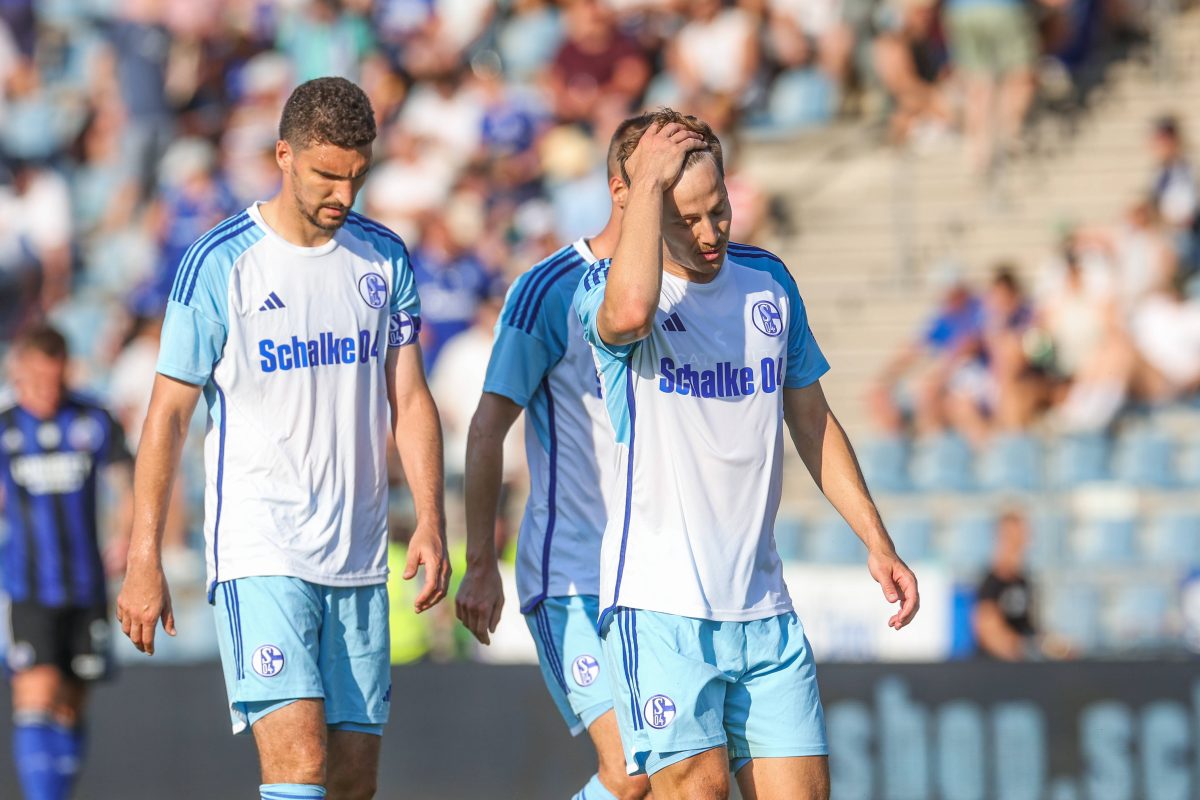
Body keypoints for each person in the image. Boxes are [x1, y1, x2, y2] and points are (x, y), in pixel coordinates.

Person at [115, 77, 449, 800]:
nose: (343, 194)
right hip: (261, 548)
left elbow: (410, 397)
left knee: (353, 780)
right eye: (327, 175)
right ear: (283, 155)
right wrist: (143, 556)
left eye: (356, 176)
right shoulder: (220, 262)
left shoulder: (383, 258)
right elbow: (167, 415)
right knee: (298, 764)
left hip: (358, 553)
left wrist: (431, 516)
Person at [572, 109, 920, 800]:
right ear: (643, 206)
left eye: (719, 210)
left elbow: (812, 418)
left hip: (763, 610)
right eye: (686, 219)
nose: (710, 234)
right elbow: (631, 313)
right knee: (697, 791)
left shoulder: (769, 283)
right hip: (659, 608)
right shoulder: (606, 291)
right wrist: (647, 185)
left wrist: (877, 541)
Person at [456, 114, 655, 800]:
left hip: (659, 575)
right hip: (572, 571)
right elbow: (488, 429)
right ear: (621, 190)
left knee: (678, 777)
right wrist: (481, 561)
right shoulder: (550, 289)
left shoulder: (690, 291)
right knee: (631, 773)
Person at [1, 324, 132, 800]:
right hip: (28, 588)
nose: (45, 391)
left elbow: (127, 484)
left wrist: (126, 538)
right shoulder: (6, 428)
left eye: (53, 380)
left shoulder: (93, 419)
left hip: (86, 587)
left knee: (70, 708)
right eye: (35, 381)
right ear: (18, 375)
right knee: (35, 697)